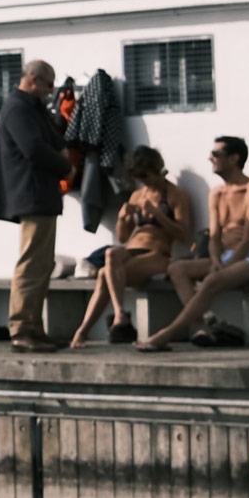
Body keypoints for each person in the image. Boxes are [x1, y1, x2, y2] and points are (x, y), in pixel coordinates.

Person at [144, 133, 249, 351]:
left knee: (211, 281)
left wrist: (222, 268)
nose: (210, 158)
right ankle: (202, 328)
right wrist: (216, 260)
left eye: (216, 154)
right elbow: (214, 235)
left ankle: (165, 334)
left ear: (234, 159)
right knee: (177, 268)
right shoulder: (216, 193)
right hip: (226, 255)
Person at [69, 146, 199, 347]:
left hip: (158, 254)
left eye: (146, 176)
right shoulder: (137, 195)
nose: (143, 181)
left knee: (104, 274)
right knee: (112, 253)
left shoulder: (175, 195)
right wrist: (123, 218)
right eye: (138, 177)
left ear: (157, 169)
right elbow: (122, 236)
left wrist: (158, 215)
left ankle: (83, 331)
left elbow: (184, 234)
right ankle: (119, 314)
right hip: (131, 252)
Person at [0, 58, 68, 352]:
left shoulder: (32, 108)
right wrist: (65, 167)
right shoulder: (18, 107)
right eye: (48, 84)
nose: (50, 90)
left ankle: (34, 326)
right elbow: (33, 148)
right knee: (31, 263)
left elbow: (53, 139)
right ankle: (20, 328)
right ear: (32, 80)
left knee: (43, 264)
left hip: (40, 194)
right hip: (32, 193)